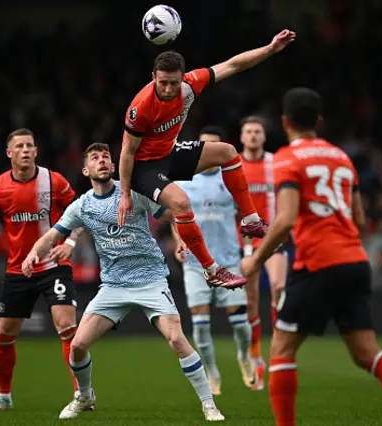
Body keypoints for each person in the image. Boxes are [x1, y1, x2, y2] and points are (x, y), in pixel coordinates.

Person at [240, 88, 382, 426]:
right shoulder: (341, 157)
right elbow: (360, 219)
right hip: (354, 260)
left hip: (317, 263)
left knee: (281, 348)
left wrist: (256, 259)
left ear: (284, 122)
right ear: (318, 121)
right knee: (366, 351)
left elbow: (286, 218)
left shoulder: (286, 159)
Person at [23, 143, 225, 422]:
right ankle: (84, 395)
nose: (102, 161)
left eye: (106, 156)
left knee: (177, 339)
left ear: (114, 165)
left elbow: (175, 214)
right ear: (86, 170)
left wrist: (179, 241)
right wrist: (34, 253)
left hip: (151, 280)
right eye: (95, 158)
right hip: (114, 286)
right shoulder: (83, 205)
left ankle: (208, 405)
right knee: (78, 345)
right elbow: (52, 236)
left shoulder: (133, 193)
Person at [118, 29, 296, 289]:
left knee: (227, 152)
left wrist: (269, 49)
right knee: (182, 204)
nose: (168, 89)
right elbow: (127, 152)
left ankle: (250, 220)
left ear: (183, 78)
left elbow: (233, 64)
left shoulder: (191, 84)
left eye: (174, 83)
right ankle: (212, 270)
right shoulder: (140, 108)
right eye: (163, 82)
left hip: (168, 152)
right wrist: (125, 194)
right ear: (153, 77)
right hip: (144, 167)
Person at [0, 128, 81, 411]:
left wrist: (72, 242)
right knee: (4, 333)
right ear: (9, 153)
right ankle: (4, 397)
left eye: (30, 145)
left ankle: (82, 394)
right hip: (18, 269)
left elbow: (81, 211)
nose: (26, 150)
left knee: (66, 325)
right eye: (20, 146)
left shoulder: (54, 181)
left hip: (54, 264)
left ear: (36, 151)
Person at [172, 125, 254, 395]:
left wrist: (249, 251)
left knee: (240, 324)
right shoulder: (183, 180)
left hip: (229, 260)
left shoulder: (230, 178)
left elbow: (247, 215)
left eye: (213, 146)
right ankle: (212, 371)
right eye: (203, 146)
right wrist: (178, 240)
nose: (208, 152)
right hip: (196, 265)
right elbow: (174, 217)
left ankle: (245, 356)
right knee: (200, 324)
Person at [238, 115, 292, 390]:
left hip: (273, 239)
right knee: (251, 301)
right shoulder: (233, 164)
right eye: (248, 131)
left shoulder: (276, 162)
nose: (253, 135)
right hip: (244, 243)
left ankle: (277, 350)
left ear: (264, 136)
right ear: (242, 137)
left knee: (279, 288)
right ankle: (256, 355)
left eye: (257, 131)